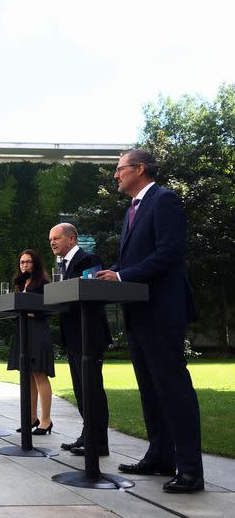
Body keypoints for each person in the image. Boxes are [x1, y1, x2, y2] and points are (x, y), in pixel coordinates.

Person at [96, 148, 203, 493]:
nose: (116, 175)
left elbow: (169, 252)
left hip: (162, 310)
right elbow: (138, 255)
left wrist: (123, 276)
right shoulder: (132, 209)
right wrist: (116, 272)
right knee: (150, 390)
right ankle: (159, 456)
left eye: (120, 168)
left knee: (173, 389)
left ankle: (190, 470)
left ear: (140, 168)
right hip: (139, 312)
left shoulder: (164, 200)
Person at [49, 223, 111, 456]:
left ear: (72, 239)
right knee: (81, 390)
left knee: (92, 389)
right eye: (50, 240)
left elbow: (92, 293)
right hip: (74, 335)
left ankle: (99, 442)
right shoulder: (61, 266)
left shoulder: (89, 260)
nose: (52, 242)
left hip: (90, 334)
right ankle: (88, 435)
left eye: (56, 238)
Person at [7, 248, 55, 436]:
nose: (24, 265)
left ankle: (46, 420)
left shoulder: (43, 283)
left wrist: (26, 312)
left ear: (35, 263)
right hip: (23, 330)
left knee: (39, 374)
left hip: (37, 330)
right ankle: (31, 418)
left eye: (28, 262)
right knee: (27, 375)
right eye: (21, 262)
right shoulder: (20, 283)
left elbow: (48, 308)